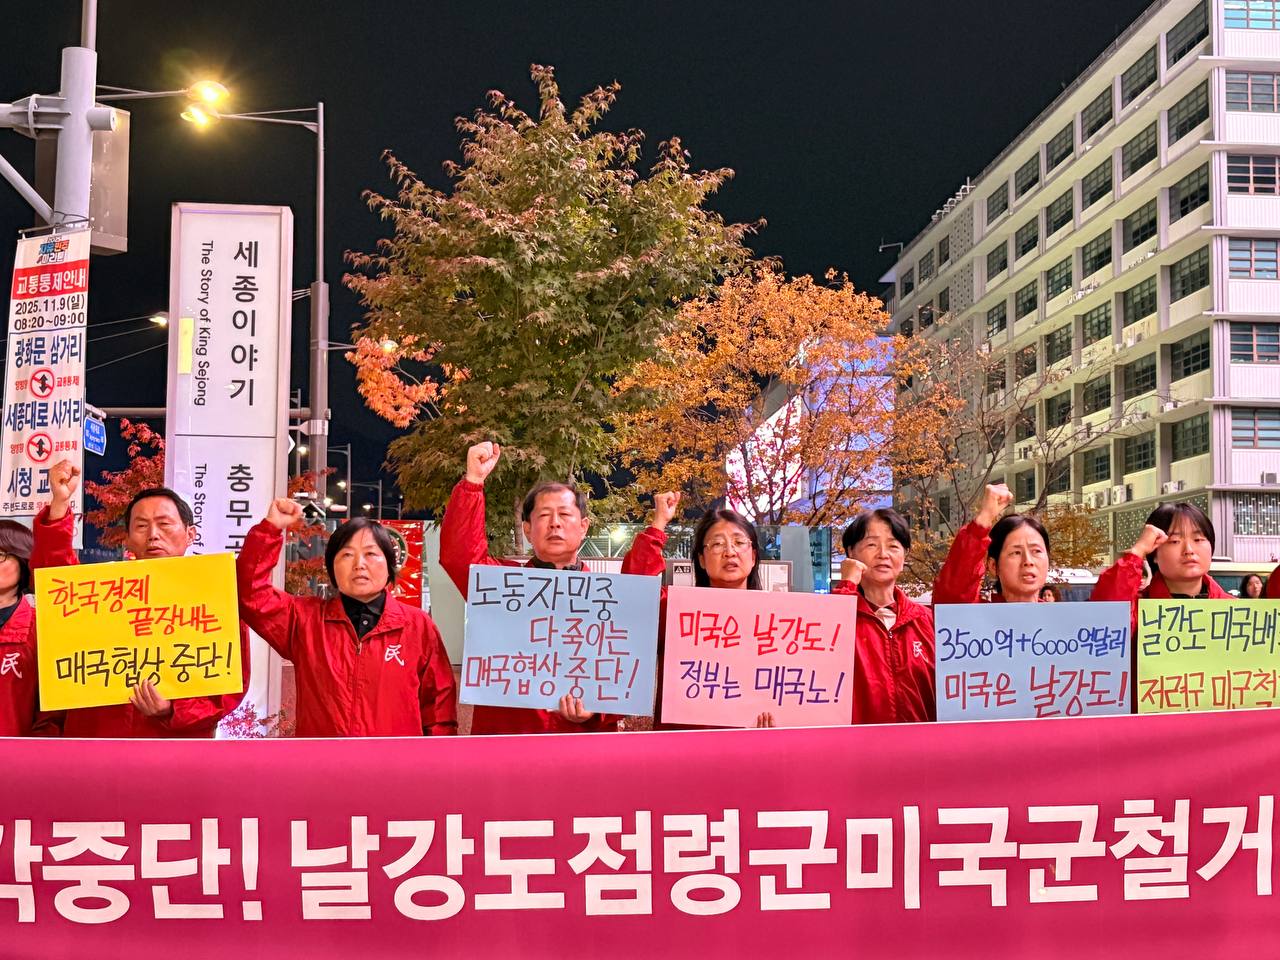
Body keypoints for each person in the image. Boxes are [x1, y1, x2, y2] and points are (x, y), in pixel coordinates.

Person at [439, 442, 664, 734]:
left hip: (581, 747)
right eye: (544, 515)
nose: (555, 524)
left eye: (565, 515)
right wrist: (473, 482)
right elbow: (460, 556)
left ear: (583, 527)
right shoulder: (501, 586)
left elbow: (622, 671)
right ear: (527, 529)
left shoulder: (609, 599)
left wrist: (597, 710)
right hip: (508, 742)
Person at [30, 460, 249, 737]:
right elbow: (56, 584)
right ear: (128, 539)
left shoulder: (216, 597)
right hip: (95, 740)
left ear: (190, 534)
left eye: (165, 524)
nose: (154, 535)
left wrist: (172, 709)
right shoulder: (105, 593)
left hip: (174, 747)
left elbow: (229, 688)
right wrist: (60, 505)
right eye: (142, 526)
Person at [236, 500, 456, 737]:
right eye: (347, 555)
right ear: (332, 568)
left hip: (395, 760)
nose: (359, 564)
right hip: (324, 760)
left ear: (390, 564)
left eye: (371, 554)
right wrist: (270, 529)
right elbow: (249, 593)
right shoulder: (304, 620)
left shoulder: (417, 625)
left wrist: (439, 758)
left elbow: (439, 708)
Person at [626, 502, 775, 728]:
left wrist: (780, 726)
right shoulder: (676, 610)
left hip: (752, 744)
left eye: (739, 542)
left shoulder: (777, 619)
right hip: (683, 744)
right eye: (717, 544)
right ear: (702, 559)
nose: (730, 552)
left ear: (753, 556)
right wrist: (658, 525)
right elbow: (634, 592)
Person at [833, 508, 935, 724]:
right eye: (871, 545)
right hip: (856, 744)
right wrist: (847, 584)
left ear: (905, 555)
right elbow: (827, 644)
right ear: (851, 552)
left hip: (921, 743)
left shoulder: (927, 621)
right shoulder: (838, 615)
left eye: (893, 546)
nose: (883, 554)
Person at [1092, 502, 1230, 607]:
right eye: (1175, 541)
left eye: (1198, 539)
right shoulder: (1137, 609)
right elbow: (1106, 617)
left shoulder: (1234, 610)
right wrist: (1138, 551)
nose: (1189, 550)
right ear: (1154, 554)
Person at [933, 483, 1052, 604]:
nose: (1028, 561)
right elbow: (952, 596)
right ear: (993, 566)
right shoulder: (976, 614)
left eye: (1037, 551)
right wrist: (984, 519)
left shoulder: (1062, 615)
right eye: (1016, 552)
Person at [0, 521, 42, 736]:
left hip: (17, 754)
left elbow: (50, 716)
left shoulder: (40, 630)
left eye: (0, 555)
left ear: (23, 559)